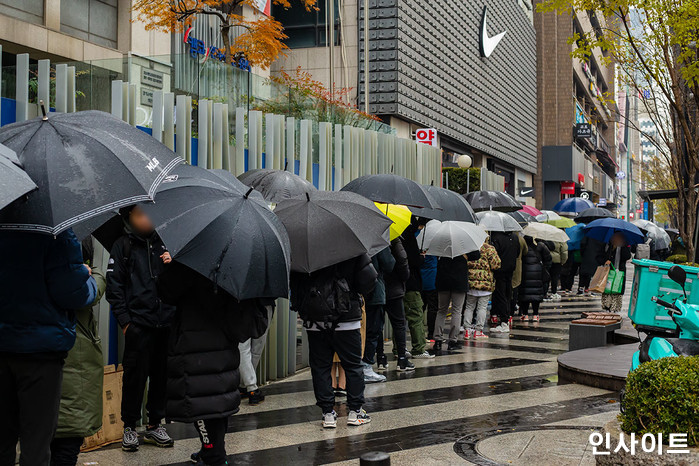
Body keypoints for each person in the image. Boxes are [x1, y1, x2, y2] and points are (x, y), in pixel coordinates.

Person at [157, 261, 273, 466]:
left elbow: (166, 292)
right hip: (223, 348)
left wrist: (172, 265)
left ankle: (214, 455)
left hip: (194, 348)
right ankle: (211, 449)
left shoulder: (190, 262)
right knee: (217, 404)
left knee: (201, 406)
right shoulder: (235, 263)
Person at [0, 229, 96, 466]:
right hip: (41, 352)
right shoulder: (56, 234)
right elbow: (71, 294)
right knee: (36, 444)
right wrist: (88, 278)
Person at [106, 205, 175, 451]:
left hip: (165, 323)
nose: (146, 219)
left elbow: (180, 283)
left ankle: (156, 424)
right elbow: (114, 289)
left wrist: (172, 264)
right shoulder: (122, 246)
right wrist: (126, 323)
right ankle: (129, 427)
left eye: (149, 213)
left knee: (161, 377)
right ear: (130, 218)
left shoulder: (167, 242)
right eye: (140, 214)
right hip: (138, 325)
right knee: (134, 378)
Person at [290, 254, 378, 429]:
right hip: (346, 317)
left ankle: (327, 413)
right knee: (353, 365)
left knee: (321, 366)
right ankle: (355, 411)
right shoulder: (351, 248)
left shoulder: (306, 250)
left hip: (315, 318)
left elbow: (295, 283)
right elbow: (368, 280)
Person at [50, 238, 107, 466]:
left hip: (38, 379)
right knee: (65, 451)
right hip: (74, 378)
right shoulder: (81, 281)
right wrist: (90, 271)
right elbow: (92, 290)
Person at [380, 239, 416, 371]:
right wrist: (404, 277)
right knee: (399, 324)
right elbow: (402, 260)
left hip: (377, 288)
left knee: (378, 325)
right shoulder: (394, 239)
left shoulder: (372, 237)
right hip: (394, 288)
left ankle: (380, 359)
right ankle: (402, 359)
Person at [363, 246, 395, 381]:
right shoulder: (377, 241)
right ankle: (366, 367)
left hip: (355, 293)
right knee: (373, 330)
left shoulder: (350, 239)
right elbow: (389, 264)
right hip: (374, 291)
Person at [401, 217, 431, 358]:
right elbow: (414, 260)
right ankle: (418, 348)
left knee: (399, 319)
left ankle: (399, 349)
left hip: (397, 283)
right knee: (415, 315)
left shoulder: (395, 235)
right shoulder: (408, 236)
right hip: (411, 282)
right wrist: (421, 257)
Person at [238, 302, 275, 405]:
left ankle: (247, 386)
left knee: (243, 347)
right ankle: (250, 388)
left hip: (242, 304)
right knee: (257, 348)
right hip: (264, 302)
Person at [433, 253, 472, 350]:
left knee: (441, 311)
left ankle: (437, 341)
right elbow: (476, 255)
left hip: (443, 282)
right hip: (459, 282)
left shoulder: (442, 242)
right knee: (457, 311)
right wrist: (465, 255)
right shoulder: (463, 243)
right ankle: (452, 341)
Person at [464, 240, 501, 339]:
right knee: (482, 308)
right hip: (485, 283)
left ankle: (467, 330)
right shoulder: (489, 248)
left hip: (470, 281)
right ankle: (478, 331)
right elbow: (496, 264)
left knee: (469, 306)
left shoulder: (468, 247)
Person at [490, 231, 520, 333]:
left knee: (500, 294)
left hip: (500, 270)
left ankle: (503, 321)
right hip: (511, 269)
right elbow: (518, 252)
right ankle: (507, 317)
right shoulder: (515, 237)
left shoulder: (496, 237)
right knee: (508, 293)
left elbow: (494, 254)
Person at [519, 236, 552, 322]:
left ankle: (525, 315)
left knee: (525, 294)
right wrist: (544, 268)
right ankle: (535, 315)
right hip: (537, 272)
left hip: (524, 271)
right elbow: (548, 258)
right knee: (536, 295)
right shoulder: (541, 246)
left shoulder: (523, 247)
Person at [602, 233, 632, 312]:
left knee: (617, 288)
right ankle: (607, 305)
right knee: (608, 287)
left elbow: (627, 256)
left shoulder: (625, 245)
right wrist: (606, 260)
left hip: (619, 270)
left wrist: (624, 246)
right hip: (609, 269)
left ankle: (615, 306)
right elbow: (603, 254)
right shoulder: (609, 244)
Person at [420, 255, 439, 340]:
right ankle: (431, 333)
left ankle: (419, 333)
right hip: (432, 282)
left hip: (421, 282)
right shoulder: (434, 253)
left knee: (420, 309)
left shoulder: (420, 253)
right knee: (432, 309)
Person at [511, 233, 528, 317]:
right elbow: (525, 251)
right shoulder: (520, 239)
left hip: (504, 267)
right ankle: (512, 310)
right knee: (515, 289)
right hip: (517, 266)